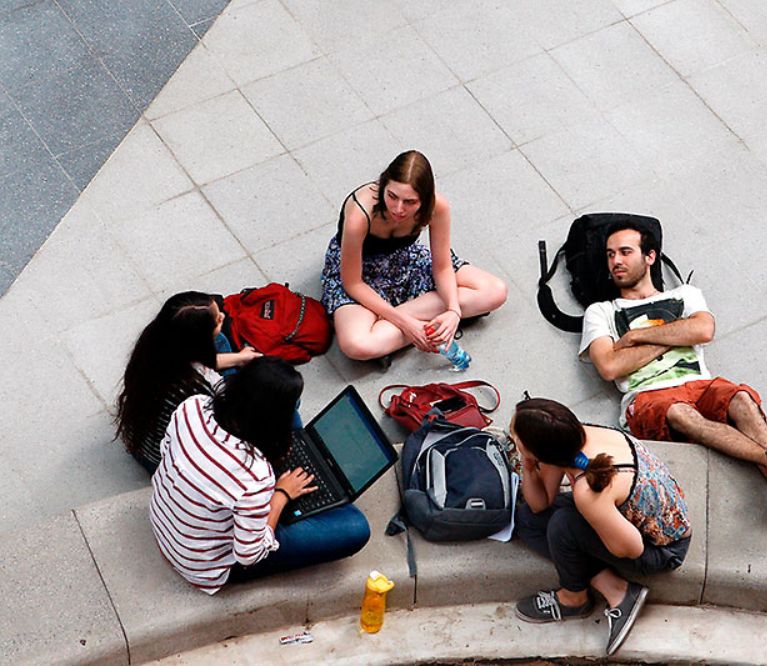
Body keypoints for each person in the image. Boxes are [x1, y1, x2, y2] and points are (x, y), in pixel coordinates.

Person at [580, 221, 767, 521]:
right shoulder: (601, 312)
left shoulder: (686, 294)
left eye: (624, 252)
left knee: (741, 398)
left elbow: (703, 329)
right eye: (610, 255)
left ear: (650, 257)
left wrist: (636, 337)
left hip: (700, 384)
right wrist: (675, 336)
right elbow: (609, 366)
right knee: (678, 413)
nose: (616, 261)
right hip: (647, 396)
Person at [149, 357, 370, 593]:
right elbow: (248, 556)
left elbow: (167, 450)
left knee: (287, 395)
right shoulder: (254, 476)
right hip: (207, 566)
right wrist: (281, 494)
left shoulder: (192, 407)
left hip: (164, 523)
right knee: (355, 526)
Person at [512, 398, 691, 656]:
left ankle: (575, 600)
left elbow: (630, 548)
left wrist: (591, 521)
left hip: (662, 548)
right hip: (624, 514)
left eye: (517, 438)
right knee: (529, 520)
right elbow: (540, 504)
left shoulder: (588, 492)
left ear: (541, 451)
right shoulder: (572, 439)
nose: (513, 438)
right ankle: (611, 584)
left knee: (562, 527)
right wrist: (528, 467)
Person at [320, 150, 507, 363]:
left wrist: (454, 310)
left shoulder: (438, 207)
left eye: (409, 202)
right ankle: (418, 323)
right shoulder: (360, 215)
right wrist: (406, 323)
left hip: (404, 262)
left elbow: (442, 266)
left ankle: (391, 328)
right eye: (392, 196)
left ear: (425, 199)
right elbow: (353, 283)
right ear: (383, 186)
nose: (398, 209)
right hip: (361, 273)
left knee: (496, 291)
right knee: (356, 345)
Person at [116, 291, 261, 474]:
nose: (223, 316)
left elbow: (197, 363)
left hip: (138, 440)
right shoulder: (201, 387)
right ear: (197, 341)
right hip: (160, 461)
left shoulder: (153, 345)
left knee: (221, 340)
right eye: (217, 320)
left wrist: (239, 358)